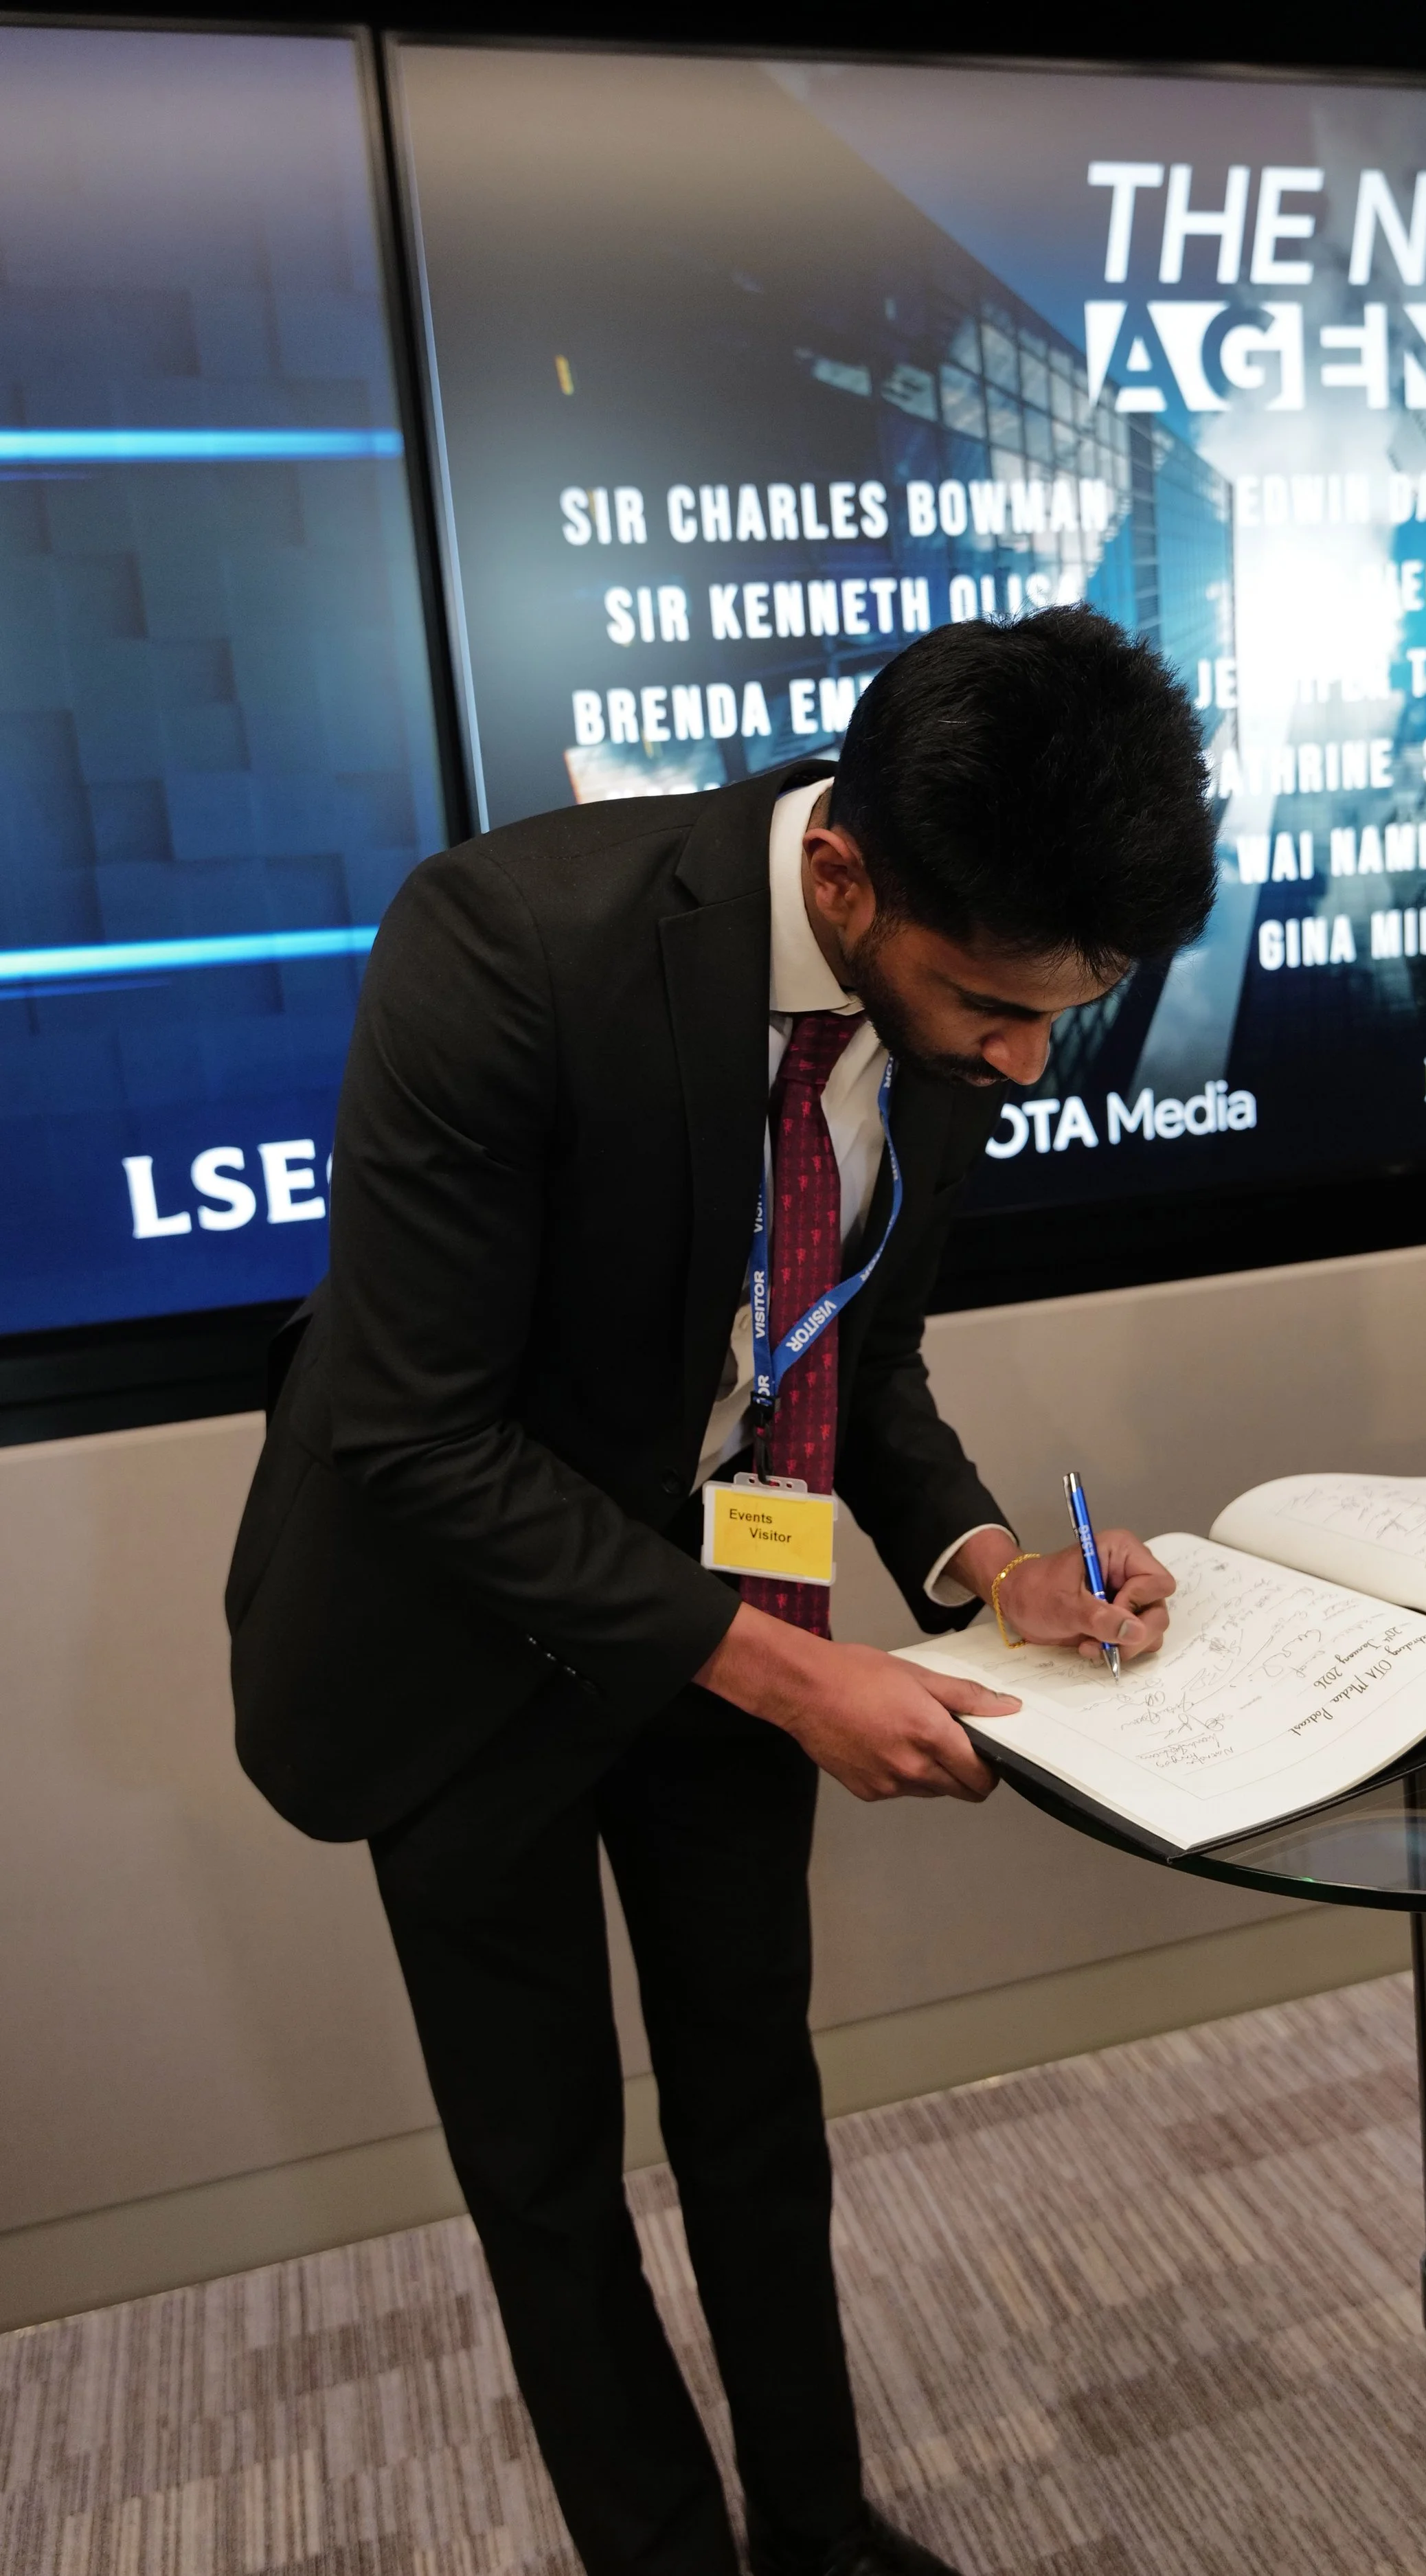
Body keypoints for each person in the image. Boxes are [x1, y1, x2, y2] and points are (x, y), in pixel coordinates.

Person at [227, 605, 1216, 2576]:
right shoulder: (509, 945)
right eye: (988, 1008)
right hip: (447, 1638)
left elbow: (856, 1357)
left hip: (721, 1608)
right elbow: (413, 1437)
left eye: (1064, 1012)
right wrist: (777, 1678)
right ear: (842, 874)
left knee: (756, 2098)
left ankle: (821, 2529)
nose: (1019, 1064)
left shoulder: (954, 978)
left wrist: (983, 1560)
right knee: (546, 2168)